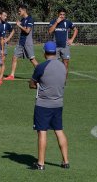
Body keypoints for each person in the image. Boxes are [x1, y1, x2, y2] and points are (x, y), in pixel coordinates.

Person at [29, 41, 69, 170]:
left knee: (42, 132)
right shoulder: (63, 66)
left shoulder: (41, 67)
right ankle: (65, 161)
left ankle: (41, 163)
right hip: (58, 103)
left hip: (43, 104)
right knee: (59, 130)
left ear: (44, 52)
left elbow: (32, 84)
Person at [4, 5, 38, 80]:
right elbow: (18, 30)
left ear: (24, 10)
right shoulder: (23, 20)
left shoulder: (30, 19)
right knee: (14, 57)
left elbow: (27, 31)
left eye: (20, 11)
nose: (18, 12)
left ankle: (42, 73)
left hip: (27, 43)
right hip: (21, 42)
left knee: (32, 59)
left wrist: (19, 25)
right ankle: (12, 75)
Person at [48, 8, 78, 77]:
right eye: (60, 14)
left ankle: (64, 82)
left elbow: (76, 30)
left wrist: (72, 39)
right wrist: (56, 22)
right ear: (58, 14)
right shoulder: (53, 21)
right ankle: (55, 80)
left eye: (63, 15)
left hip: (65, 46)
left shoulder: (68, 22)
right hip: (55, 46)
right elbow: (50, 31)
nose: (62, 16)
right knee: (54, 65)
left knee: (66, 64)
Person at [0, 10, 15, 81]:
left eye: (6, 16)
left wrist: (8, 39)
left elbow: (13, 31)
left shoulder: (6, 24)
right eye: (4, 16)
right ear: (0, 15)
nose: (6, 17)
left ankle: (0, 77)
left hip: (3, 44)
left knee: (2, 60)